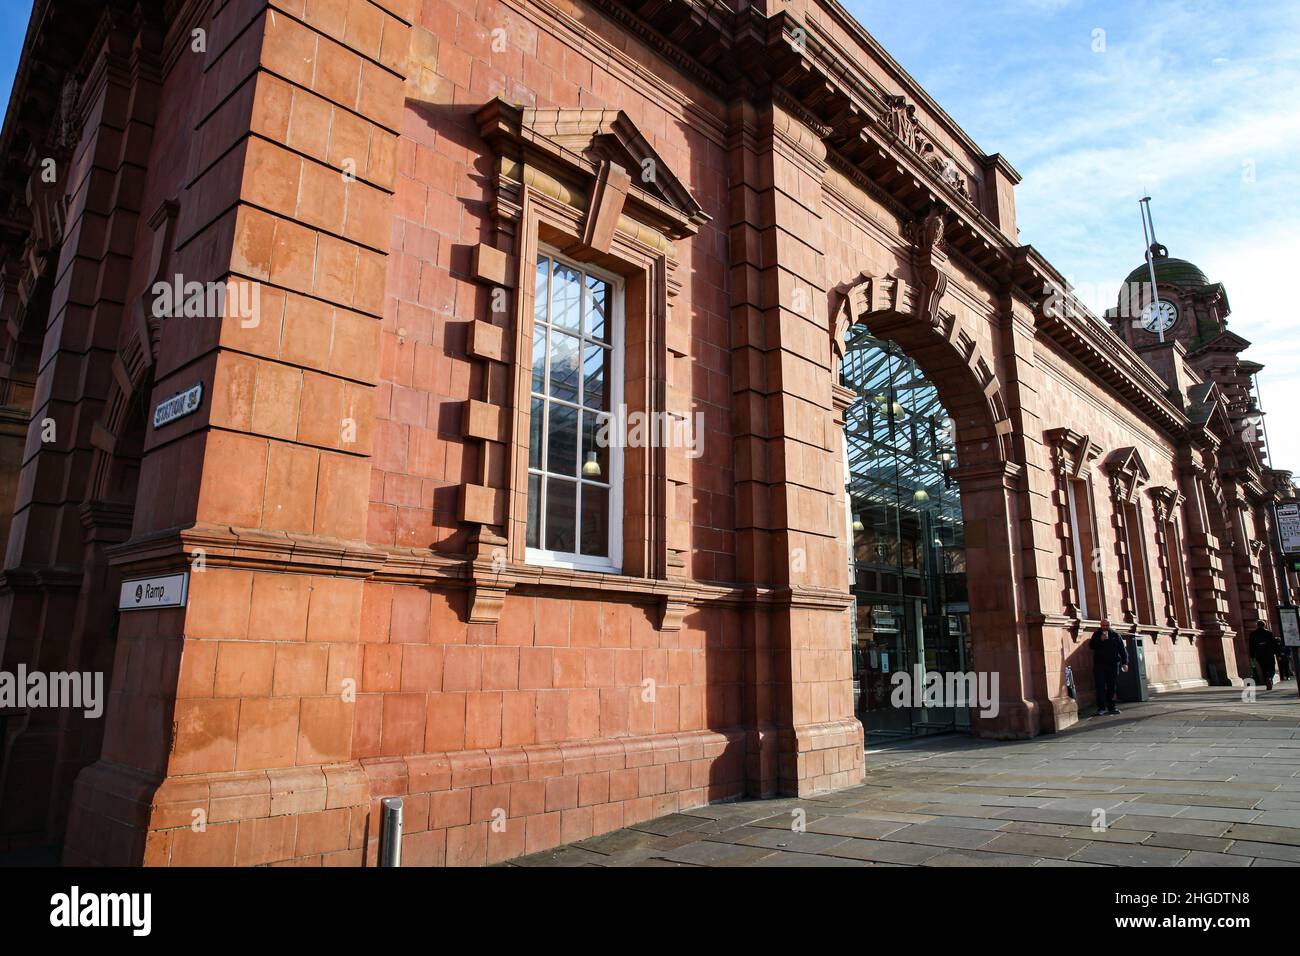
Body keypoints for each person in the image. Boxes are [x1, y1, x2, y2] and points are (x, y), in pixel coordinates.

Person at [1089, 618, 1129, 716]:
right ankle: (1101, 708)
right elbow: (1091, 646)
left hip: (1113, 664)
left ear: (1110, 626)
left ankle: (1111, 706)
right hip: (1100, 664)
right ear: (1100, 626)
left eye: (1107, 625)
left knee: (1112, 686)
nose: (1105, 627)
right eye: (1103, 625)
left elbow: (1122, 649)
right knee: (1100, 686)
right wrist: (1100, 640)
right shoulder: (1096, 634)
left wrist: (1125, 662)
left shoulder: (1115, 635)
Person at [1248, 621, 1281, 691]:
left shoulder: (1253, 634)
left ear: (1257, 625)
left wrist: (1252, 656)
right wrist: (1278, 654)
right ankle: (1270, 678)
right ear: (1264, 625)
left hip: (1259, 654)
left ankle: (1267, 679)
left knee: (1264, 668)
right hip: (1269, 654)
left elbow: (1251, 646)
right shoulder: (1269, 633)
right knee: (1272, 668)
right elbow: (1275, 644)